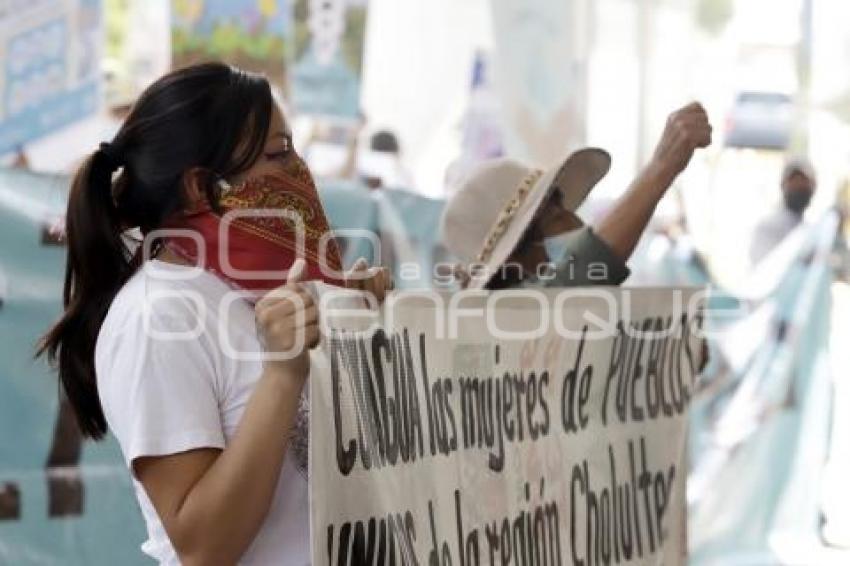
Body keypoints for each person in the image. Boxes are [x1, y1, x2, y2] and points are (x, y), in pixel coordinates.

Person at [38, 63, 390, 565]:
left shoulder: (258, 293)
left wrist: (364, 328)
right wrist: (282, 374)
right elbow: (204, 546)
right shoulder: (158, 318)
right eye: (278, 153)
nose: (299, 172)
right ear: (203, 189)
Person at [440, 102, 713, 290]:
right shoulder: (522, 321)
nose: (577, 224)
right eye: (557, 218)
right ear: (515, 263)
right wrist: (662, 166)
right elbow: (586, 267)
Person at [749, 158, 816, 265]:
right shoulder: (767, 227)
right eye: (794, 182)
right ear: (783, 185)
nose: (799, 187)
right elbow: (764, 267)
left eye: (804, 183)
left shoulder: (813, 231)